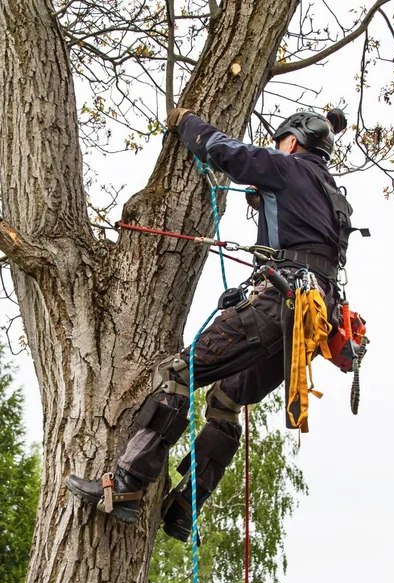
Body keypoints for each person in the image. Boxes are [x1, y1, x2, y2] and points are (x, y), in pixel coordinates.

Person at [66, 107, 348, 541]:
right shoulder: (334, 195)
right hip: (310, 324)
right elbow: (302, 234)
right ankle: (184, 508)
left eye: (279, 144)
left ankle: (127, 485)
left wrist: (186, 122)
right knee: (225, 400)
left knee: (180, 372)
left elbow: (223, 151)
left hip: (282, 303)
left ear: (292, 142)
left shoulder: (284, 166)